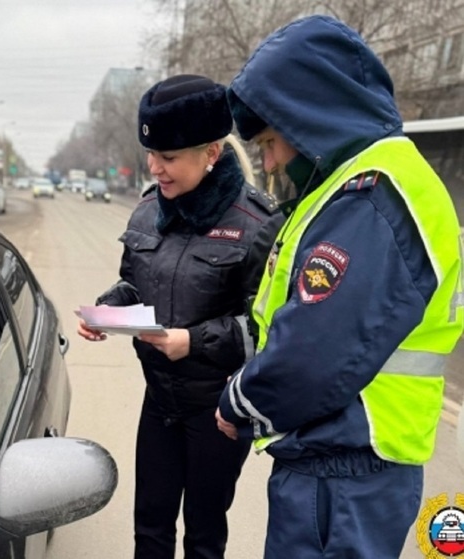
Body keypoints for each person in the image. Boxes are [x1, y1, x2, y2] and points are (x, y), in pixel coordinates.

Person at [216, 15, 464, 559]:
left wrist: (239, 402)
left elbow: (314, 349)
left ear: (311, 120)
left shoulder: (372, 195)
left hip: (346, 471)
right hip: (346, 467)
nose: (270, 161)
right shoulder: (364, 187)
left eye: (272, 141)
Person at [78, 74, 284, 559]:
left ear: (211, 153)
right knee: (149, 527)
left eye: (168, 158)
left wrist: (191, 341)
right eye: (151, 156)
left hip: (216, 413)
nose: (155, 169)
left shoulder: (257, 224)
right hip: (160, 403)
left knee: (203, 535)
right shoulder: (149, 211)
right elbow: (136, 283)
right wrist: (107, 310)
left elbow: (264, 331)